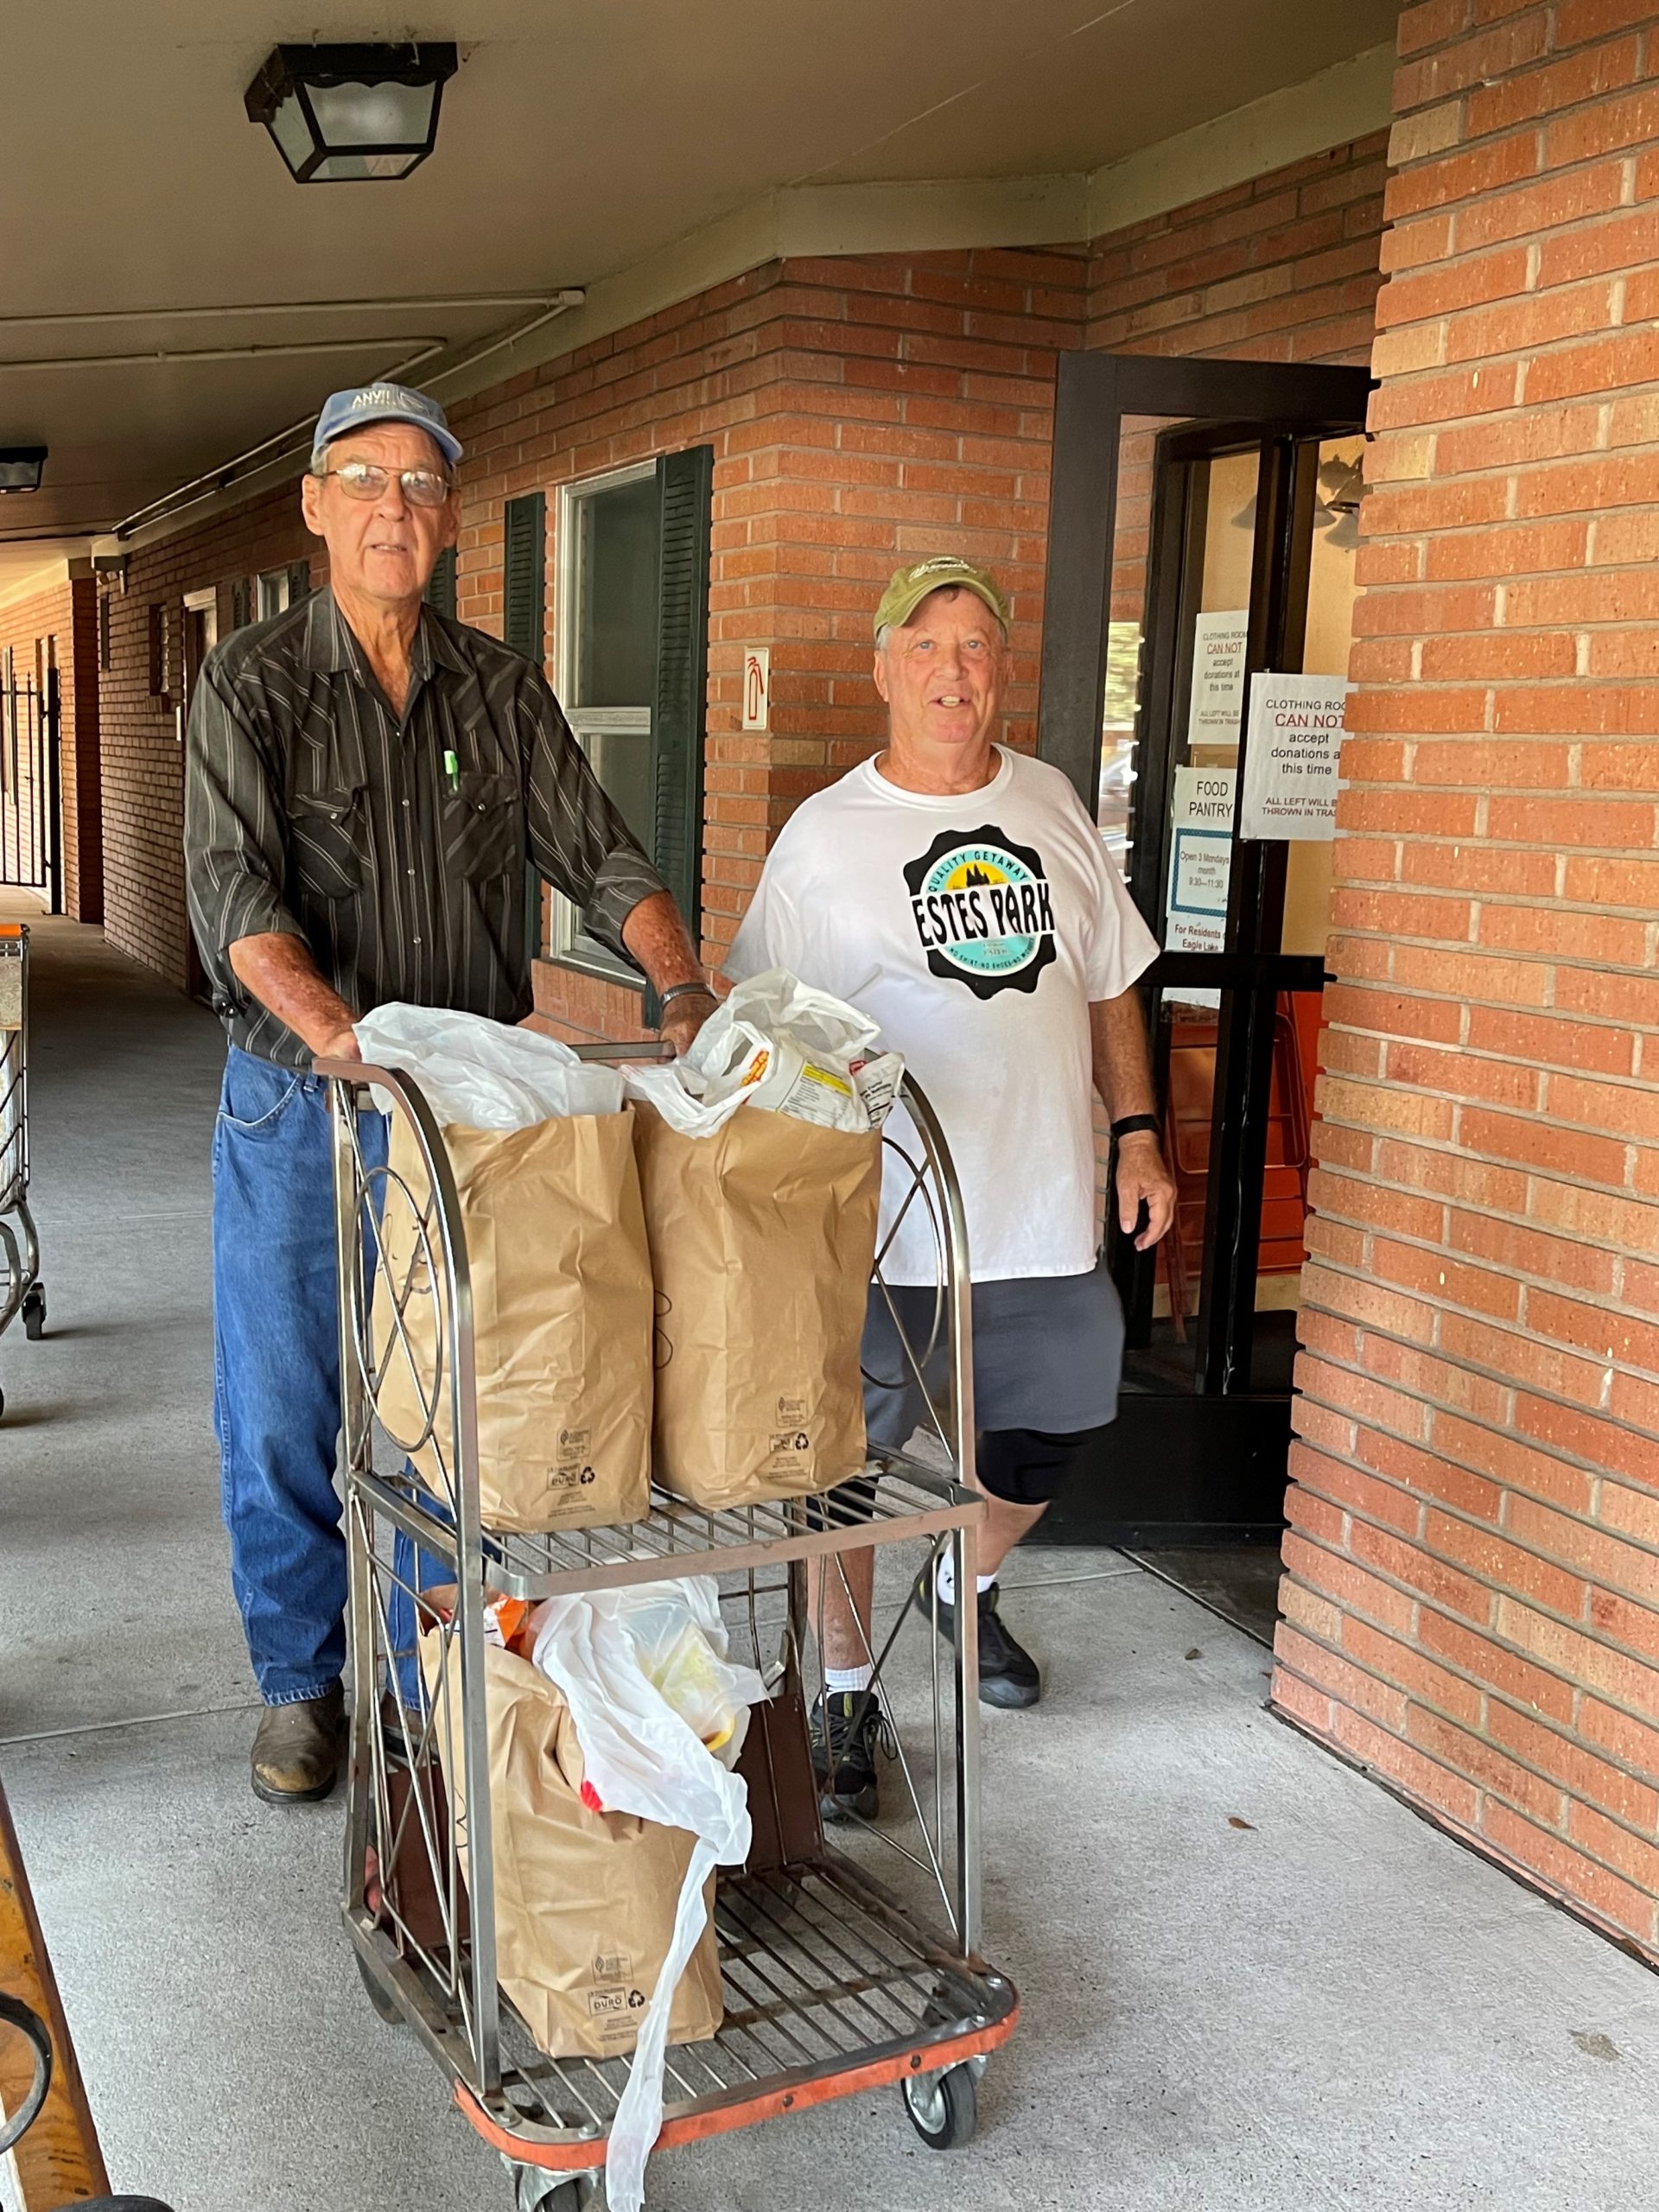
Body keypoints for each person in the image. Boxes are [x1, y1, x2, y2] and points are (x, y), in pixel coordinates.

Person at [184, 382, 714, 1805]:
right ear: (314, 504)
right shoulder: (250, 685)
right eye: (364, 481)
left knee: (455, 1404)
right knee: (287, 1408)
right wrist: (349, 1045)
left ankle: (437, 1673)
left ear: (451, 517)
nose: (392, 511)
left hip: (465, 1122)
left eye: (419, 486)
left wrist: (677, 985)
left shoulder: (497, 684)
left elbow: (600, 855)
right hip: (304, 1110)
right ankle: (304, 1690)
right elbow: (238, 905)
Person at [725, 555, 1175, 1818]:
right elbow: (765, 1016)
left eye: (975, 645)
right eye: (925, 646)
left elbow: (1107, 981)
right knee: (845, 1472)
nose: (953, 670)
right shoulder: (826, 838)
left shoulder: (1053, 806)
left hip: (1039, 1206)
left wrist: (1136, 1128)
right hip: (881, 1226)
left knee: (1057, 1421)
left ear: (1001, 674)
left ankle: (965, 1584)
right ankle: (849, 1691)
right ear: (883, 670)